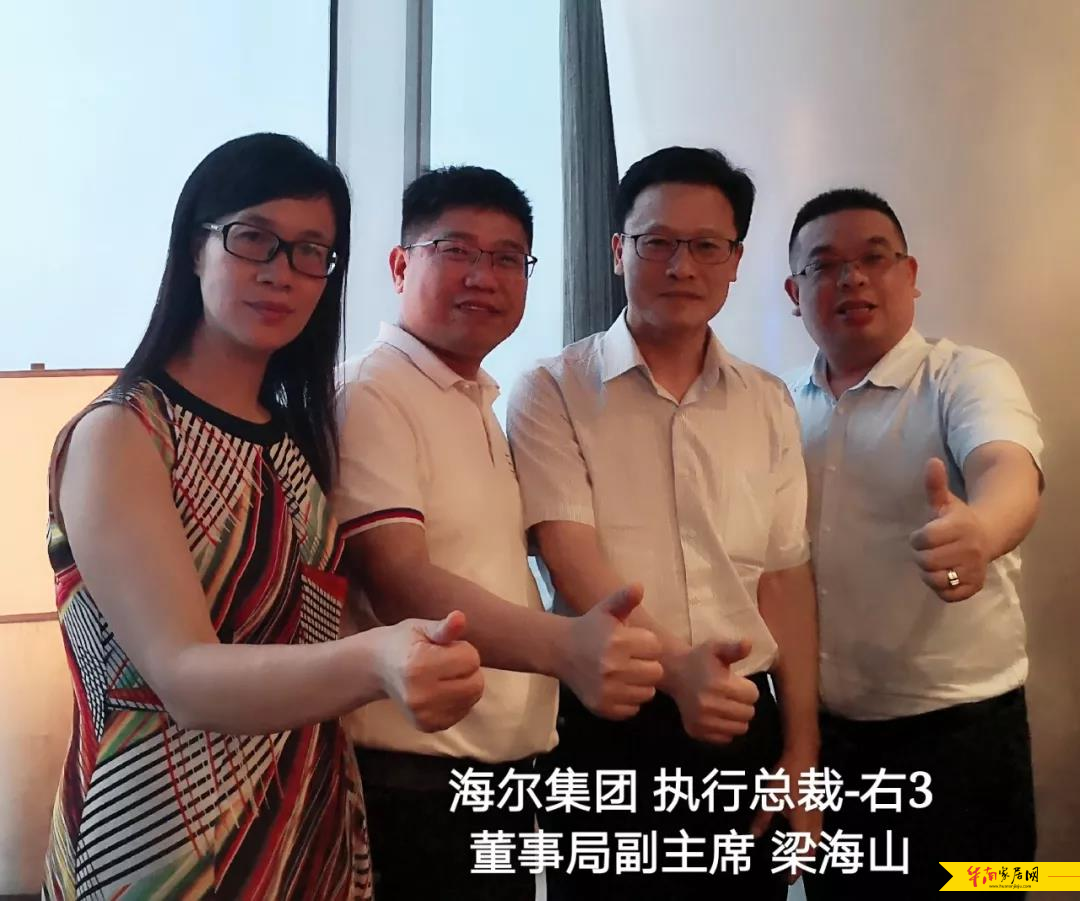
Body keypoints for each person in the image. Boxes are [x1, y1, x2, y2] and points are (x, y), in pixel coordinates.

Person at [42, 133, 483, 901]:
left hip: (304, 812)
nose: (281, 271)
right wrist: (375, 660)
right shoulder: (126, 431)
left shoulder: (295, 441)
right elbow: (184, 673)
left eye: (312, 251)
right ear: (195, 248)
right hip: (158, 830)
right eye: (254, 239)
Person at [332, 164, 664, 900]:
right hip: (413, 778)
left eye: (508, 258)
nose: (483, 276)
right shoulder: (372, 392)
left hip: (497, 777)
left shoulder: (474, 399)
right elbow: (397, 577)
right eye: (456, 250)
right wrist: (566, 646)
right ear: (400, 265)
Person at [506, 146, 821, 899]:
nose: (682, 266)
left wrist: (802, 752)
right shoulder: (553, 389)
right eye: (658, 243)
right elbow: (569, 553)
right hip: (608, 720)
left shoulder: (768, 401)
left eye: (706, 245)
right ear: (620, 250)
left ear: (735, 261)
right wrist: (679, 670)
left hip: (741, 717)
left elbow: (782, 578)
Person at [783, 187, 1043, 898]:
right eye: (824, 265)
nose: (852, 279)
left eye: (875, 258)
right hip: (832, 745)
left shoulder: (966, 376)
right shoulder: (780, 406)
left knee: (990, 890)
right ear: (794, 292)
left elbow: (1008, 468)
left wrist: (981, 530)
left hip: (965, 739)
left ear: (911, 273)